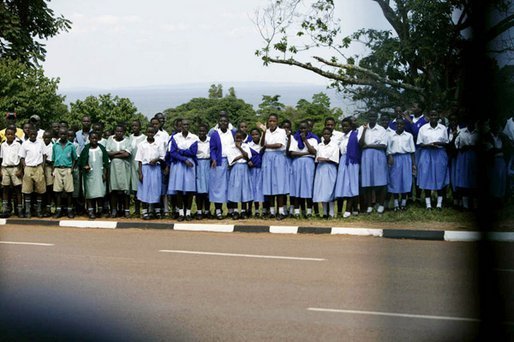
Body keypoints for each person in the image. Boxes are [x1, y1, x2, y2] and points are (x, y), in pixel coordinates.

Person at [416, 110, 450, 210]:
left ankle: (439, 204)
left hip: (439, 153)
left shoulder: (443, 128)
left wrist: (438, 143)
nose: (433, 117)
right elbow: (420, 143)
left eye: (435, 115)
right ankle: (428, 204)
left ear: (438, 116)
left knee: (439, 176)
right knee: (427, 177)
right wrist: (428, 145)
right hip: (427, 153)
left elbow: (446, 142)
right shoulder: (423, 128)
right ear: (428, 116)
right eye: (431, 115)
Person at [167, 119, 198, 221]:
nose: (185, 126)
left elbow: (193, 152)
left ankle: (188, 213)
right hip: (179, 164)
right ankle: (181, 213)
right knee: (179, 190)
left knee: (189, 190)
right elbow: (172, 152)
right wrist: (184, 158)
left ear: (189, 125)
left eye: (187, 124)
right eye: (183, 124)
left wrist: (180, 151)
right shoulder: (175, 137)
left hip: (190, 166)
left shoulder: (194, 137)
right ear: (180, 126)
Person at [259, 114, 289, 220]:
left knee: (279, 184)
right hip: (267, 157)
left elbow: (279, 145)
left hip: (278, 157)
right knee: (269, 184)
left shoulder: (281, 131)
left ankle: (281, 211)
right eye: (270, 121)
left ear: (277, 122)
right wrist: (263, 132)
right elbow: (261, 144)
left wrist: (266, 146)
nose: (272, 123)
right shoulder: (266, 131)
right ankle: (272, 211)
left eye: (274, 121)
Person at [359, 111, 388, 214]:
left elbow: (383, 145)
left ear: (377, 117)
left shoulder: (381, 130)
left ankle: (380, 204)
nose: (372, 117)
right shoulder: (362, 128)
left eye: (374, 116)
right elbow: (361, 144)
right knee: (367, 182)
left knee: (381, 181)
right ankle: (369, 205)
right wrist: (364, 130)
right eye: (370, 115)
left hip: (378, 155)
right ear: (367, 117)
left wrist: (369, 146)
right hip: (366, 156)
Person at [287, 121, 318, 218]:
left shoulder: (313, 139)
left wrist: (305, 140)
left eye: (305, 128)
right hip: (296, 163)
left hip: (308, 163)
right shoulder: (294, 138)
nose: (303, 130)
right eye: (301, 128)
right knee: (296, 187)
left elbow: (313, 152)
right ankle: (296, 211)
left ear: (309, 128)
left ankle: (309, 211)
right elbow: (292, 153)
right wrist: (305, 153)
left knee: (308, 186)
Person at [78, 132, 109, 219]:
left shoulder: (101, 148)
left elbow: (106, 163)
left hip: (100, 174)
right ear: (89, 139)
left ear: (98, 138)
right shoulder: (86, 149)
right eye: (92, 138)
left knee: (99, 193)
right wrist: (85, 166)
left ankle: (100, 211)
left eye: (96, 138)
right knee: (90, 194)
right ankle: (91, 211)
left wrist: (105, 174)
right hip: (89, 175)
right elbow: (81, 162)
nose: (94, 140)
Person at [136, 127, 165, 220]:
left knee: (156, 189)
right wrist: (140, 173)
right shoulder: (142, 144)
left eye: (152, 132)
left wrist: (156, 159)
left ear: (154, 133)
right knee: (145, 190)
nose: (150, 134)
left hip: (155, 168)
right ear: (146, 132)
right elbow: (139, 160)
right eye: (148, 132)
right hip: (145, 168)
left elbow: (162, 156)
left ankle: (157, 211)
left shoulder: (159, 143)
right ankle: (145, 212)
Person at [335, 117, 361, 218]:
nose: (344, 128)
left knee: (352, 184)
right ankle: (349, 209)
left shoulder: (356, 135)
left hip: (352, 161)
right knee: (343, 185)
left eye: (347, 126)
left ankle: (349, 209)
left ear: (351, 126)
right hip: (343, 161)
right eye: (343, 126)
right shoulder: (342, 137)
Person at [386, 120, 416, 211]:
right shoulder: (390, 136)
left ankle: (403, 203)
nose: (399, 125)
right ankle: (396, 204)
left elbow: (412, 151)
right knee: (395, 180)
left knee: (405, 180)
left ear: (404, 125)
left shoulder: (409, 136)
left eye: (401, 124)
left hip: (406, 158)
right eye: (397, 124)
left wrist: (413, 164)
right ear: (395, 125)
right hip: (395, 158)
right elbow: (388, 149)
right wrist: (390, 156)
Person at [209, 115, 234, 219]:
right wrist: (214, 159)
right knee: (218, 187)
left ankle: (231, 210)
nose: (223, 123)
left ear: (228, 123)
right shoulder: (215, 134)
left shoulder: (233, 133)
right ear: (218, 123)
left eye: (225, 121)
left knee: (230, 186)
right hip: (219, 162)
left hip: (231, 162)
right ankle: (218, 210)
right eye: (221, 121)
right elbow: (212, 149)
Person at [18, 126, 46, 218]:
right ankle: (27, 211)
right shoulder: (25, 144)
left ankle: (38, 211)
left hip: (38, 167)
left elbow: (44, 155)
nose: (33, 135)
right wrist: (25, 167)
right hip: (28, 168)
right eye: (31, 134)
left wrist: (42, 166)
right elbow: (22, 157)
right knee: (27, 191)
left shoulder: (41, 143)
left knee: (39, 190)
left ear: (37, 134)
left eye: (34, 134)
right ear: (28, 134)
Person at [313, 127, 339, 218]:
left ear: (331, 135)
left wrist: (324, 159)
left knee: (330, 190)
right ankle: (324, 212)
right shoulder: (320, 145)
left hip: (330, 168)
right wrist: (325, 159)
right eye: (324, 134)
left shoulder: (334, 145)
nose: (326, 135)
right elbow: (317, 158)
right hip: (320, 169)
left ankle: (331, 212)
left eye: (328, 134)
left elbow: (334, 159)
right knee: (322, 190)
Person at [106, 125, 132, 218]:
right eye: (117, 131)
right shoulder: (110, 139)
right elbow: (107, 153)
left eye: (121, 131)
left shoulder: (127, 140)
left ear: (124, 132)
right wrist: (120, 151)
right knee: (114, 190)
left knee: (125, 190)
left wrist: (114, 155)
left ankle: (126, 210)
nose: (119, 133)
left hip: (124, 168)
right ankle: (114, 210)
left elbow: (127, 154)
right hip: (113, 168)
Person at [226, 130, 253, 219]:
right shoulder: (230, 147)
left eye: (240, 138)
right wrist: (242, 156)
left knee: (244, 189)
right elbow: (231, 160)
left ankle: (243, 211)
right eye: (237, 137)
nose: (238, 139)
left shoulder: (246, 146)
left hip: (244, 168)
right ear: (234, 138)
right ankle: (236, 211)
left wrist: (240, 149)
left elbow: (248, 156)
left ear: (242, 138)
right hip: (235, 168)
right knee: (235, 189)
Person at [51, 127, 77, 218]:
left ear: (67, 135)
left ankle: (69, 210)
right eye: (61, 134)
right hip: (58, 169)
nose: (63, 136)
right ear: (58, 135)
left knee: (69, 191)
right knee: (58, 191)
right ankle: (58, 210)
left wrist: (72, 168)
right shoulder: (55, 145)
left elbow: (75, 159)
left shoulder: (71, 145)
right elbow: (53, 159)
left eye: (65, 134)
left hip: (68, 169)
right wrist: (53, 170)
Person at [454, 119, 479, 210]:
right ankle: (465, 205)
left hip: (474, 156)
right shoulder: (461, 132)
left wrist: (473, 147)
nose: (471, 123)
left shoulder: (478, 133)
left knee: (474, 179)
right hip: (463, 156)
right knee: (464, 178)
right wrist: (461, 148)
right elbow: (456, 144)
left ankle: (475, 205)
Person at [0, 127, 23, 218]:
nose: (10, 136)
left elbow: (21, 158)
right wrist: (0, 170)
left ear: (15, 135)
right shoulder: (3, 145)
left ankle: (19, 209)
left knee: (17, 189)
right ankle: (6, 209)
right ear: (5, 135)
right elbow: (1, 158)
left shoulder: (18, 145)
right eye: (8, 134)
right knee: (5, 189)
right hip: (5, 168)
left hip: (15, 168)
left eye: (12, 134)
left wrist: (20, 170)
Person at [129, 120, 146, 217]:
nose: (134, 127)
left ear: (140, 127)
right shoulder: (130, 137)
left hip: (141, 166)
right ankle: (136, 210)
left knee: (142, 188)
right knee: (135, 190)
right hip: (131, 166)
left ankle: (144, 210)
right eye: (133, 126)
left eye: (136, 125)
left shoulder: (144, 138)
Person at [195, 123, 210, 219]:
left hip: (208, 164)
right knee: (199, 190)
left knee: (208, 189)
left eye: (203, 131)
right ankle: (199, 211)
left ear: (206, 132)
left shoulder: (210, 141)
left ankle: (208, 211)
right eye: (200, 131)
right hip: (198, 165)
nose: (202, 133)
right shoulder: (195, 142)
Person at [248, 128, 264, 217]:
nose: (255, 136)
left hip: (261, 170)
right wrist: (248, 161)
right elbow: (246, 156)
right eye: (253, 135)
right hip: (252, 170)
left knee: (260, 189)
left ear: (260, 135)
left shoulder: (263, 144)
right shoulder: (248, 145)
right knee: (252, 189)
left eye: (256, 134)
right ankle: (249, 209)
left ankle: (259, 210)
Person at [42, 131, 55, 217]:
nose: (46, 139)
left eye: (48, 137)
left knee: (50, 188)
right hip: (41, 168)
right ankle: (44, 208)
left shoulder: (54, 145)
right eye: (45, 137)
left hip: (51, 168)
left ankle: (51, 207)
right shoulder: (40, 145)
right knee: (43, 189)